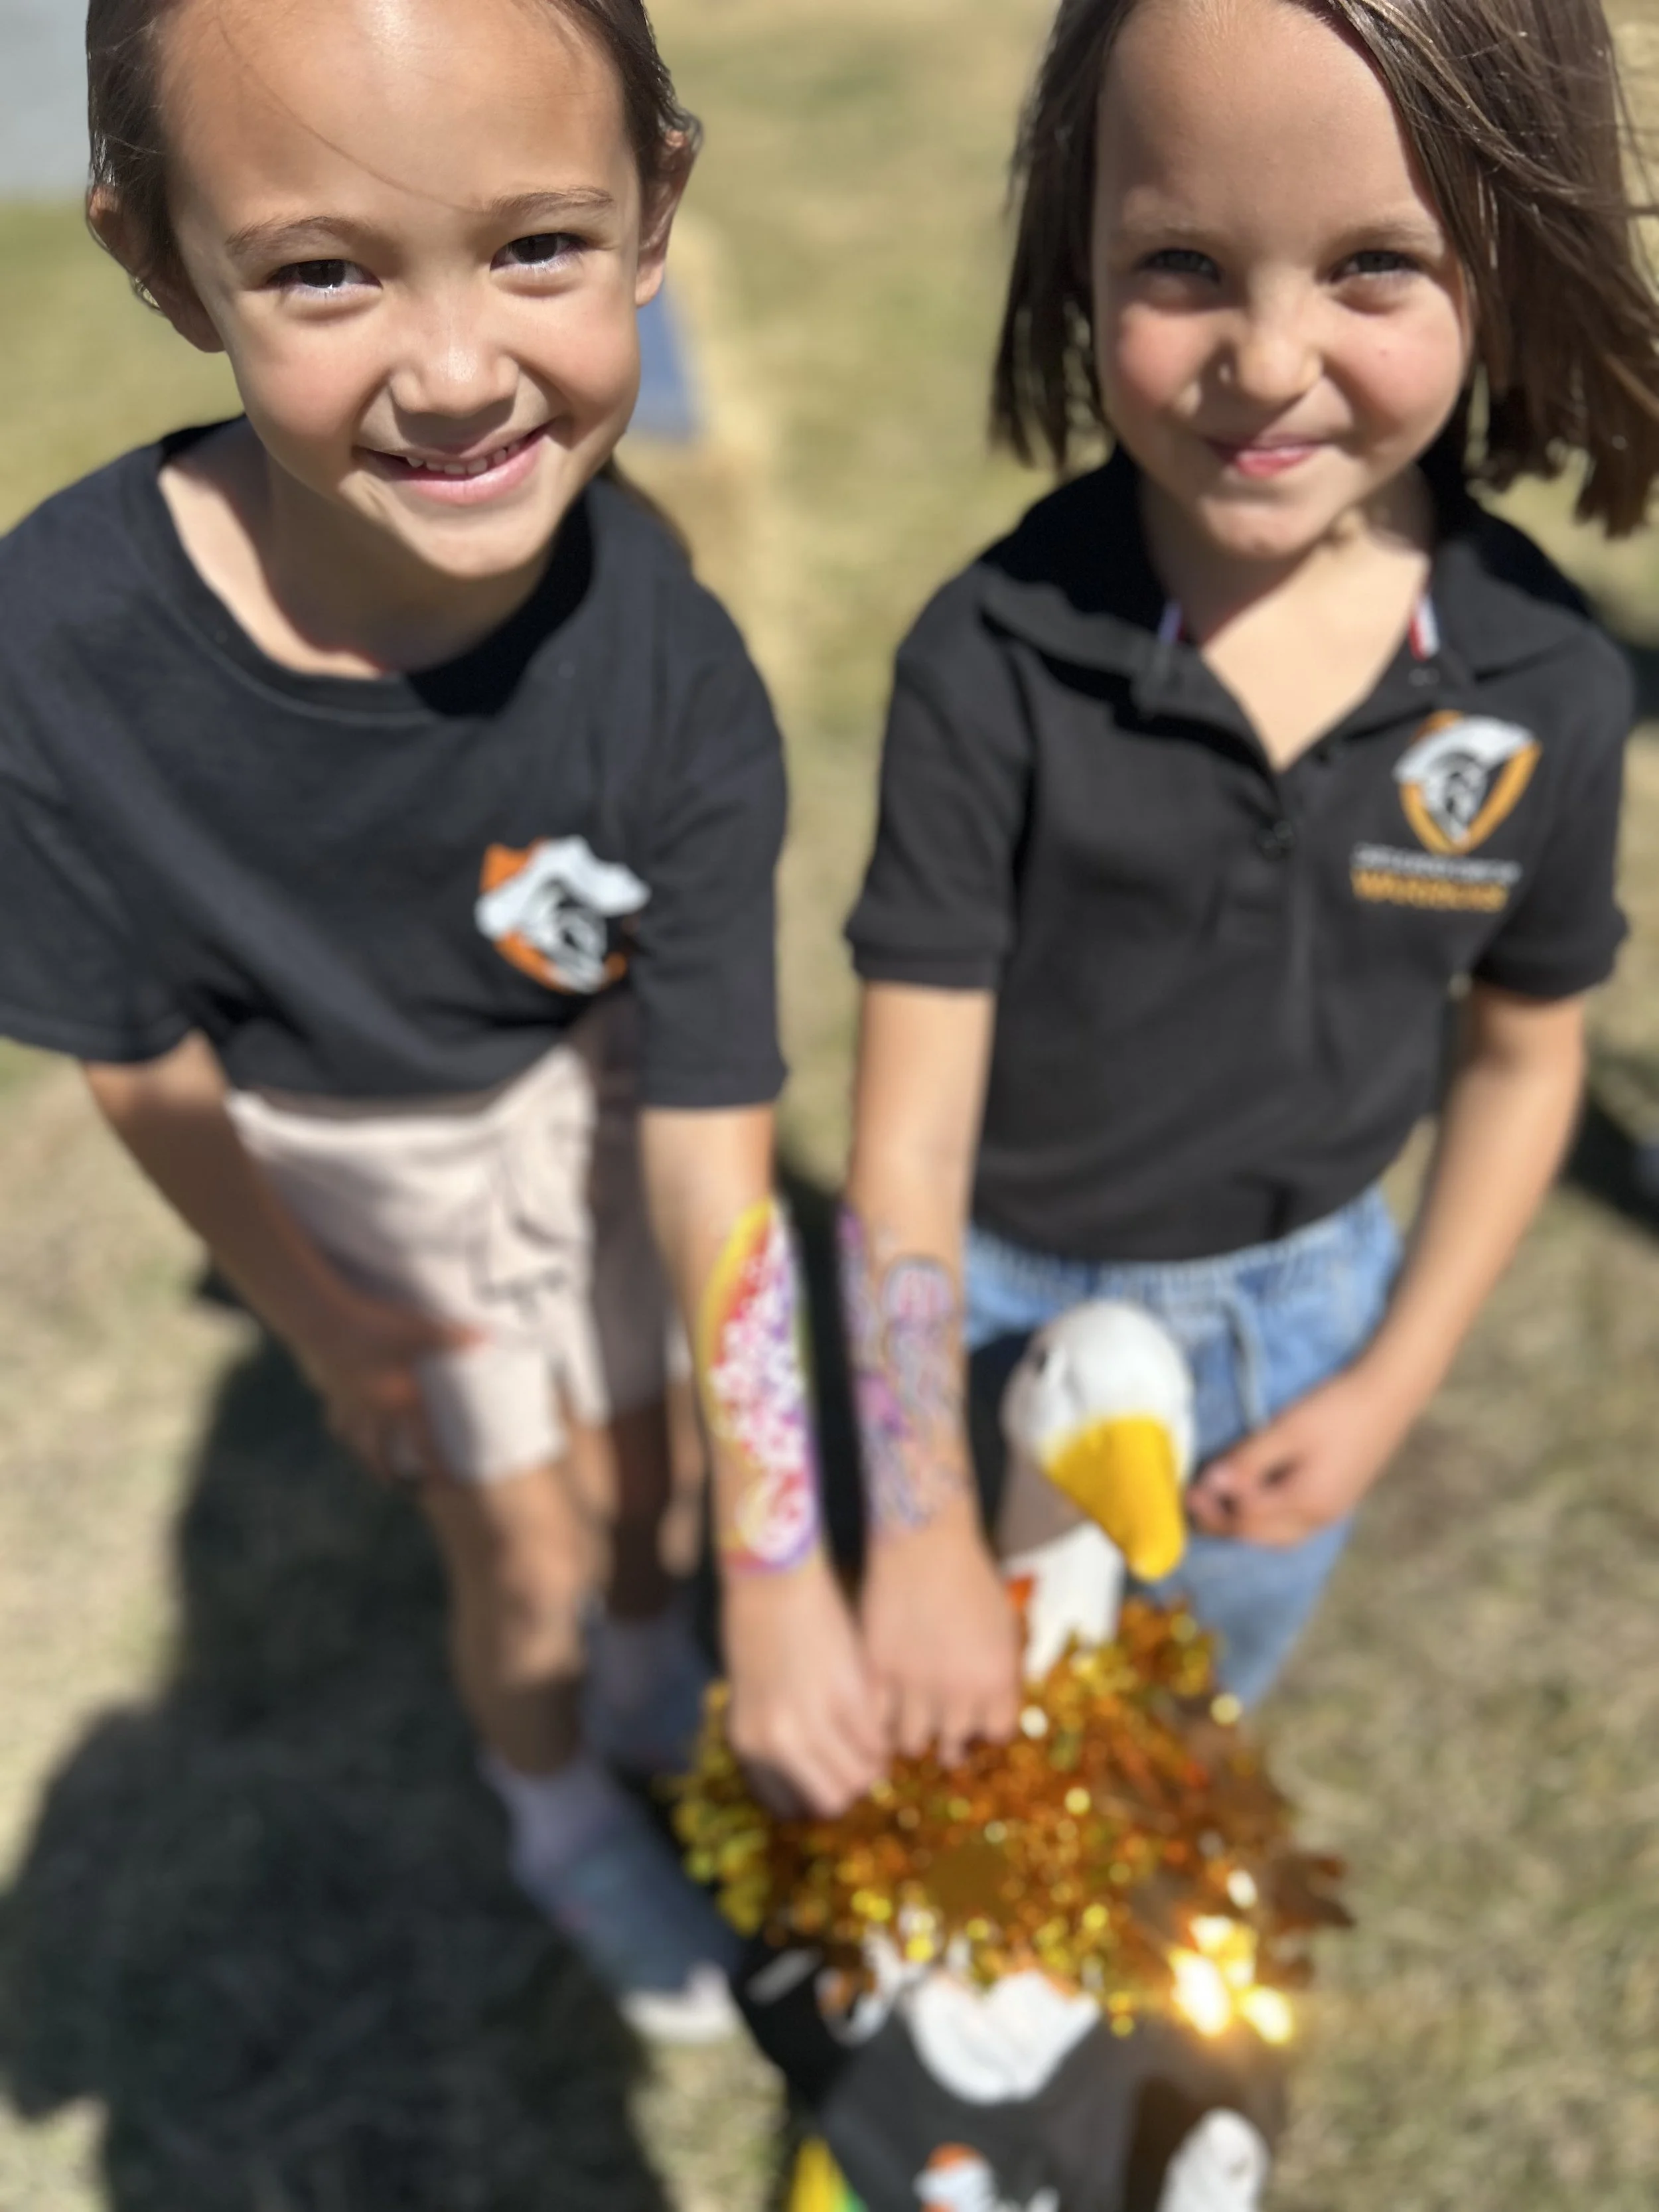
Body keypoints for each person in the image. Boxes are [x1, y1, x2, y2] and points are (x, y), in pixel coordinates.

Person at [0, 0, 883, 2041]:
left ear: (658, 203)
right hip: (352, 1158)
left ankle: (658, 1675)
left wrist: (775, 1550)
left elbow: (713, 1130)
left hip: (601, 1100)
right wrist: (323, 1315)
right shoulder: (57, 655)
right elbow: (136, 1051)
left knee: (646, 1469)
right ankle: (556, 1796)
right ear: (155, 262)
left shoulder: (672, 668)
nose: (460, 369)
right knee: (522, 1538)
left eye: (536, 246)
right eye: (324, 269)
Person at [838, 0, 1659, 1763]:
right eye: (1184, 263)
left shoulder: (1550, 691)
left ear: (1507, 262)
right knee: (979, 1752)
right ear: (1076, 244)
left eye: (1373, 265)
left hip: (1304, 1329)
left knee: (1181, 1739)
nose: (1268, 359)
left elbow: (1522, 1062)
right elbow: (899, 1139)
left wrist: (1385, 1381)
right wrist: (912, 1518)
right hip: (991, 1316)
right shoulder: (987, 661)